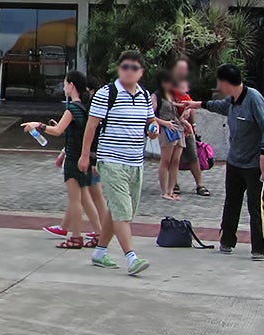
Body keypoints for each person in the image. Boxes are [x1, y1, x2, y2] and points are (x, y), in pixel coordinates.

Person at [78, 50, 157, 276]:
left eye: (134, 68)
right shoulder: (107, 93)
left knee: (118, 210)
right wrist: (85, 155)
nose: (129, 72)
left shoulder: (143, 95)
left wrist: (153, 129)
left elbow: (150, 121)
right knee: (122, 210)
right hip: (111, 160)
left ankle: (100, 252)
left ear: (141, 72)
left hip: (135, 162)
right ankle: (131, 257)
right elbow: (91, 125)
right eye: (125, 67)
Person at [21, 70, 106, 250]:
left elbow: (58, 131)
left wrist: (38, 125)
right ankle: (99, 234)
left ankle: (76, 237)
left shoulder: (72, 108)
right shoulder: (86, 107)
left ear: (72, 85)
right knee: (85, 198)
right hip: (86, 156)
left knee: (76, 199)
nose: (64, 87)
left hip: (74, 157)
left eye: (66, 83)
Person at [198, 64, 264, 260]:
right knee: (231, 202)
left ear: (226, 82)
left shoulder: (254, 99)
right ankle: (227, 240)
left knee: (255, 206)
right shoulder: (232, 100)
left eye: (219, 82)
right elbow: (221, 107)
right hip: (235, 162)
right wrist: (197, 105)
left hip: (254, 164)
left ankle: (259, 247)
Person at [169, 56, 211, 196]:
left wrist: (192, 125)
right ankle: (173, 184)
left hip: (187, 129)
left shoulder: (184, 94)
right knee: (174, 158)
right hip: (173, 128)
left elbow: (190, 107)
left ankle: (200, 185)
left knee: (193, 156)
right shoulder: (168, 91)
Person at [153, 71, 186, 201]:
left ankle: (172, 189)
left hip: (178, 127)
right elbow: (150, 114)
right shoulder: (156, 96)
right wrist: (164, 123)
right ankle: (164, 190)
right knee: (166, 160)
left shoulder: (173, 95)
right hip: (167, 128)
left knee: (176, 161)